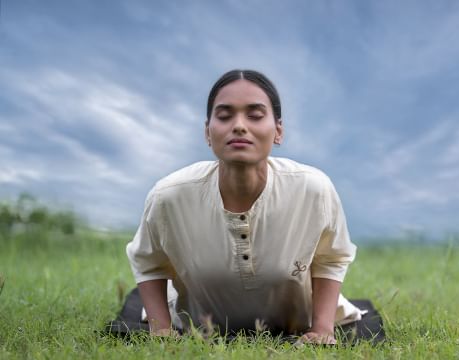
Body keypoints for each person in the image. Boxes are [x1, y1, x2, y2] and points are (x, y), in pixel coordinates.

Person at [125, 69, 363, 344]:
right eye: (225, 116)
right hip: (195, 322)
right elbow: (148, 262)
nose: (239, 125)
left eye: (255, 115)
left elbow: (331, 258)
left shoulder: (313, 189)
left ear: (278, 130)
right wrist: (161, 330)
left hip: (296, 320)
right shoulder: (169, 196)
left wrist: (322, 330)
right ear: (207, 132)